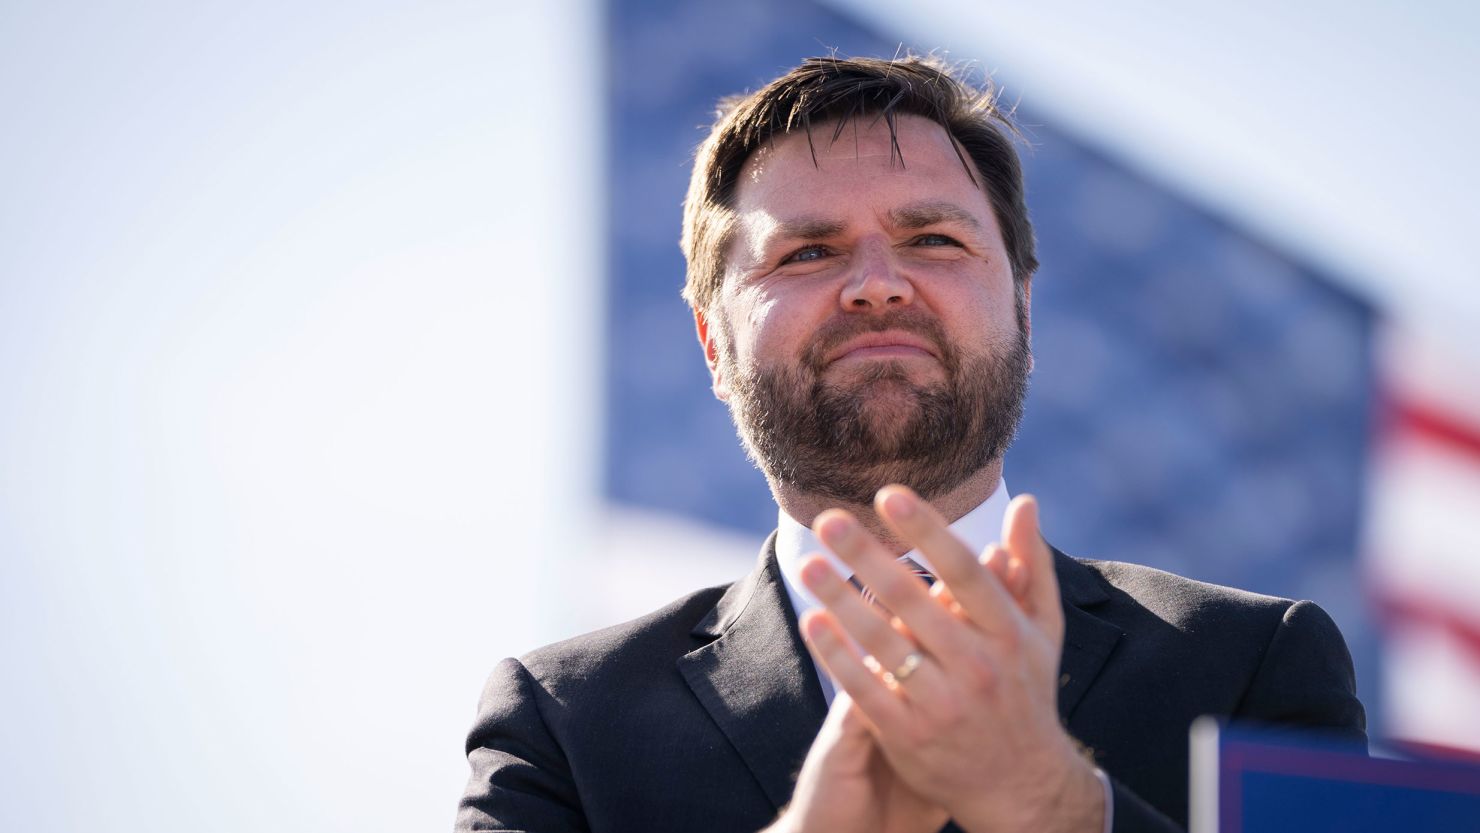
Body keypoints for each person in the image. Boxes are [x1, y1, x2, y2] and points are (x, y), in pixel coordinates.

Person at [455, 55, 1365, 833]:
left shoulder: (1257, 663)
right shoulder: (562, 722)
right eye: (807, 252)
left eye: (932, 238)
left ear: (1022, 308)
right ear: (712, 344)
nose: (877, 285)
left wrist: (1056, 805)